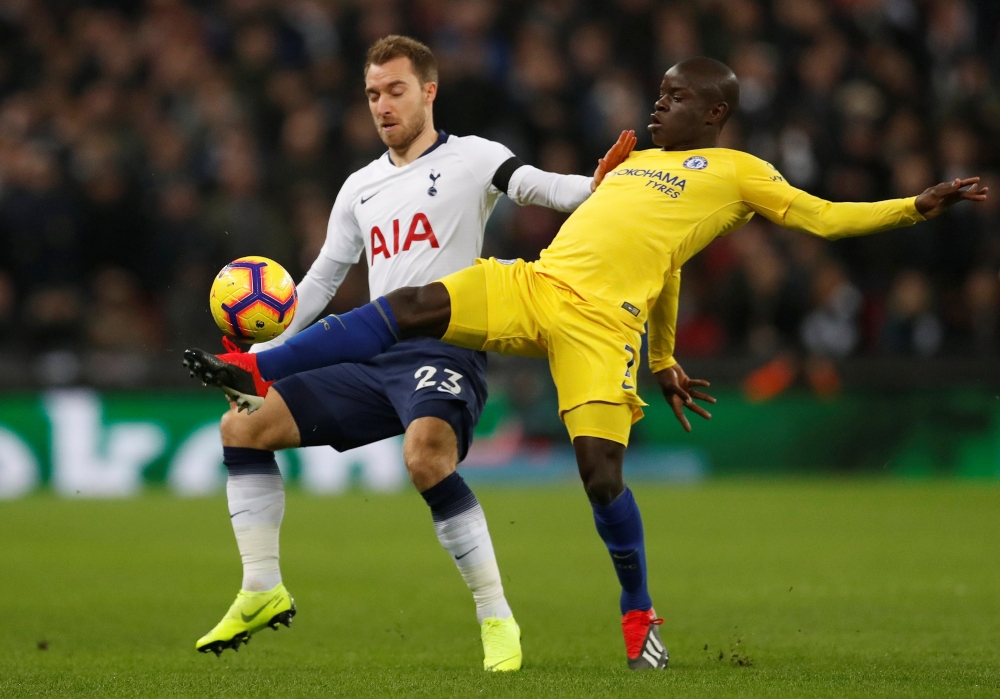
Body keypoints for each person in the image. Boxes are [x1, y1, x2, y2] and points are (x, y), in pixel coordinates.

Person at [184, 57, 988, 670]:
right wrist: (668, 356)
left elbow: (821, 219)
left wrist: (915, 204)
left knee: (601, 476)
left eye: (674, 97)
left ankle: (639, 613)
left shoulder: (738, 174)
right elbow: (655, 253)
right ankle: (264, 370)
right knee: (417, 303)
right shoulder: (632, 166)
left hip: (602, 330)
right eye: (659, 92)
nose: (657, 103)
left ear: (713, 112)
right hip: (536, 287)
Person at [189, 35, 636, 671]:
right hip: (374, 356)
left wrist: (595, 184)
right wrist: (265, 351)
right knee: (240, 424)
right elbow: (317, 283)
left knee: (425, 457)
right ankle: (263, 587)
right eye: (373, 94)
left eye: (395, 90)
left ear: (428, 91)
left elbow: (541, 189)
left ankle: (496, 616)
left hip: (448, 348)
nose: (383, 105)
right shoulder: (359, 188)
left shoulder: (475, 158)